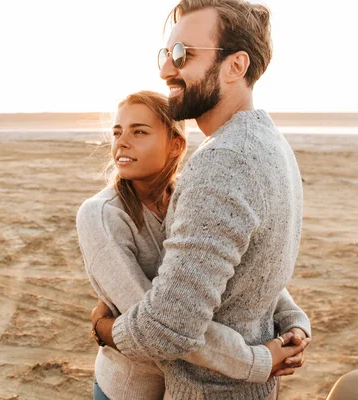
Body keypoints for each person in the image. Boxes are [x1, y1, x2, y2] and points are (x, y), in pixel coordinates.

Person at [90, 1, 310, 399]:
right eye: (165, 54)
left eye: (182, 55)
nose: (165, 70)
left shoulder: (223, 160)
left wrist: (103, 329)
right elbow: (251, 271)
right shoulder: (271, 143)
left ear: (235, 66)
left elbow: (166, 330)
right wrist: (293, 321)